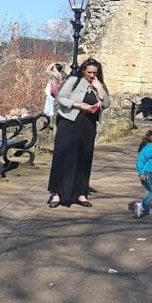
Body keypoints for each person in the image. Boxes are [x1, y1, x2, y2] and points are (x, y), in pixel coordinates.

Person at [47, 58, 110, 208]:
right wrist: (78, 105)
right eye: (89, 72)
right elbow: (61, 97)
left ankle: (81, 193)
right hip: (69, 122)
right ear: (83, 71)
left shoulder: (99, 84)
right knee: (63, 157)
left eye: (95, 73)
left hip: (88, 125)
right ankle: (56, 194)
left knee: (84, 158)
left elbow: (107, 104)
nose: (92, 75)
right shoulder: (74, 80)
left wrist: (100, 90)